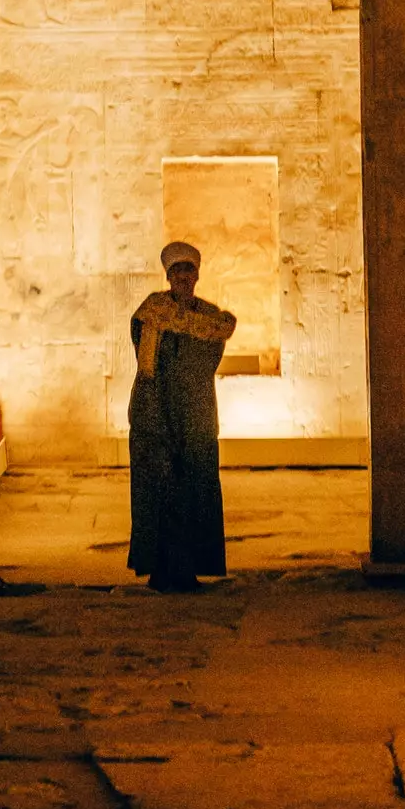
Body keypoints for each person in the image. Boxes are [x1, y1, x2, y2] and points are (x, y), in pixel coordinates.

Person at [127, 242, 237, 592]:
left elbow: (208, 357)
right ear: (168, 277)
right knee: (160, 492)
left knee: (195, 491)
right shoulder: (152, 312)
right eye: (177, 272)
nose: (184, 278)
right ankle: (162, 572)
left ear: (197, 275)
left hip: (196, 414)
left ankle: (188, 571)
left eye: (189, 271)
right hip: (156, 410)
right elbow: (148, 365)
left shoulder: (210, 317)